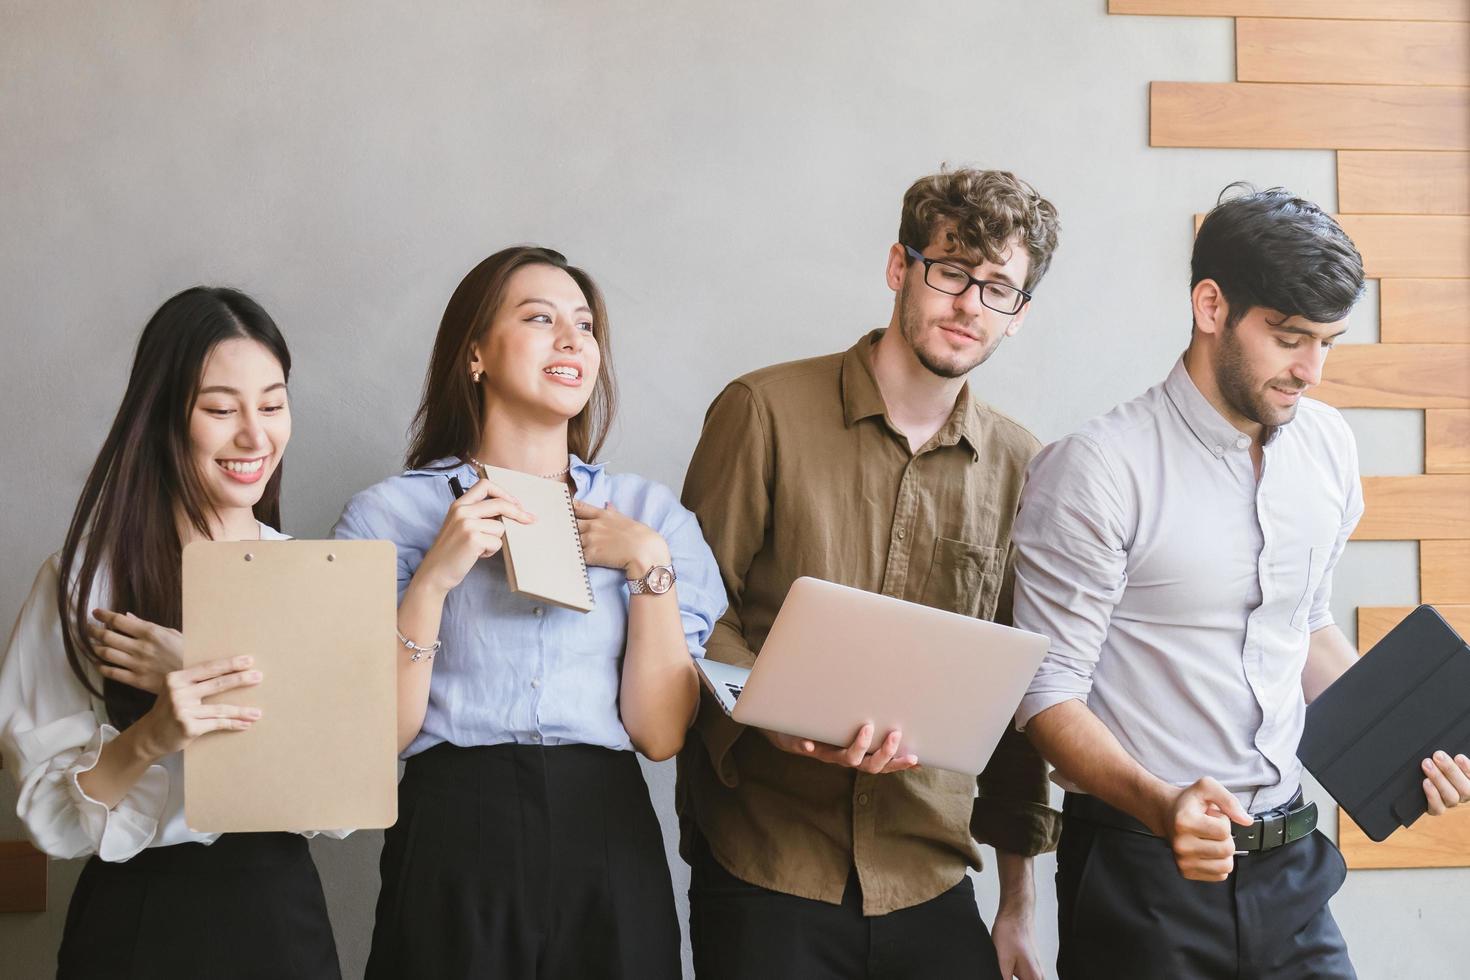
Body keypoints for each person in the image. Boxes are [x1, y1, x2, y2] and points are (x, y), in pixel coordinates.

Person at [1013, 185, 1470, 979]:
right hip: (1141, 869)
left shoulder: (1326, 447)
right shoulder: (1096, 469)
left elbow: (1303, 628)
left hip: (1294, 865)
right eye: (1290, 338)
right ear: (1211, 305)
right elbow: (1046, 694)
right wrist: (1163, 803)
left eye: (1328, 342)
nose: (1313, 371)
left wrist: (1404, 747)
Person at [678, 167, 1063, 980]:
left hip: (927, 872)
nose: (969, 306)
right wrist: (768, 709)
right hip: (766, 861)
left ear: (1019, 317)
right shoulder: (761, 412)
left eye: (998, 289)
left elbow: (1020, 693)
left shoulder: (1025, 466)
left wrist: (1017, 907)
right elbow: (686, 611)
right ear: (901, 268)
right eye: (951, 271)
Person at [334, 245, 726, 979]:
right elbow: (375, 738)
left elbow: (662, 732)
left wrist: (648, 567)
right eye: (540, 318)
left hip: (606, 831)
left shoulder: (651, 517)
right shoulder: (390, 514)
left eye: (584, 324)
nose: (573, 339)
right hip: (452, 827)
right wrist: (432, 582)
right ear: (474, 353)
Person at [0, 287, 343, 979]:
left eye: (273, 406)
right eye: (221, 409)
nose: (254, 435)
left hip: (279, 916)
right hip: (136, 919)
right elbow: (52, 821)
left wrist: (204, 670)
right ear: (162, 416)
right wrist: (155, 732)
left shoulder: (311, 577)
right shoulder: (82, 581)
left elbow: (340, 804)